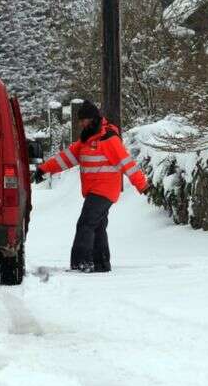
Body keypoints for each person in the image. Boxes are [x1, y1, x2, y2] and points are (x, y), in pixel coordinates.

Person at [34, 100, 149, 273]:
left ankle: (82, 263)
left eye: (83, 120)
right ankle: (101, 264)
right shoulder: (86, 140)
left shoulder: (108, 139)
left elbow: (127, 163)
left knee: (85, 224)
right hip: (93, 190)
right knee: (98, 226)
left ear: (93, 119)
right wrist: (43, 169)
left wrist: (142, 185)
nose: (81, 123)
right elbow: (65, 158)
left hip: (104, 190)